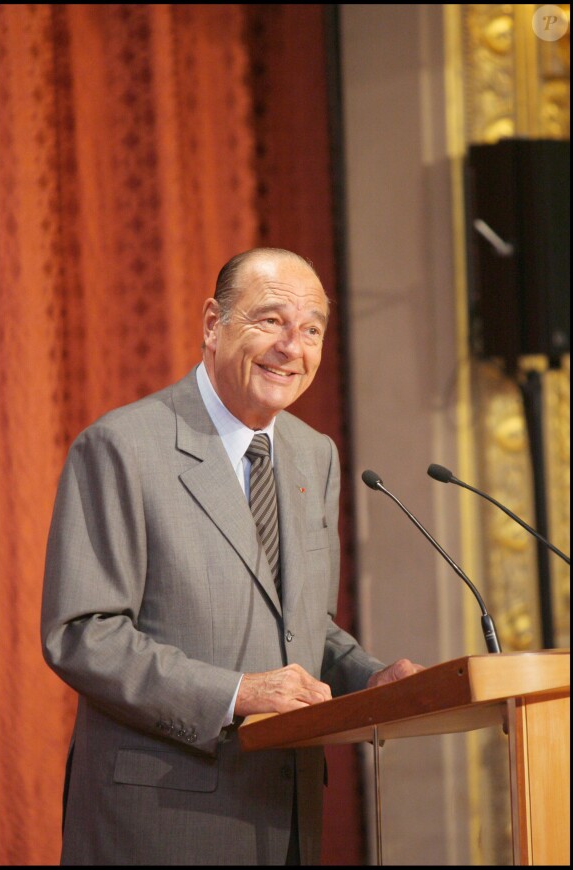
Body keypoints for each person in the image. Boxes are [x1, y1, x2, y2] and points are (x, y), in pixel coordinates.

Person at [41, 247, 422, 866]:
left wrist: (369, 681)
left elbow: (303, 625)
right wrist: (235, 693)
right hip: (161, 819)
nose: (291, 347)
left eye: (312, 331)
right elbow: (83, 634)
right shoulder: (121, 447)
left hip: (284, 814)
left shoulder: (313, 454)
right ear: (212, 325)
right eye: (270, 320)